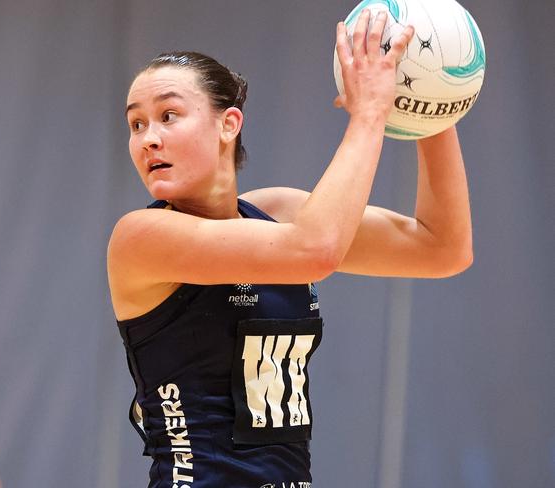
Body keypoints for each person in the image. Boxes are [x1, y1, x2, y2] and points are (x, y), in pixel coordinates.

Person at [108, 10, 472, 487]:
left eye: (168, 115)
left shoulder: (276, 213)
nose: (148, 138)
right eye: (137, 124)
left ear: (228, 124)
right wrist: (368, 115)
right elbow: (317, 251)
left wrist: (429, 101)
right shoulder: (142, 238)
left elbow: (442, 248)